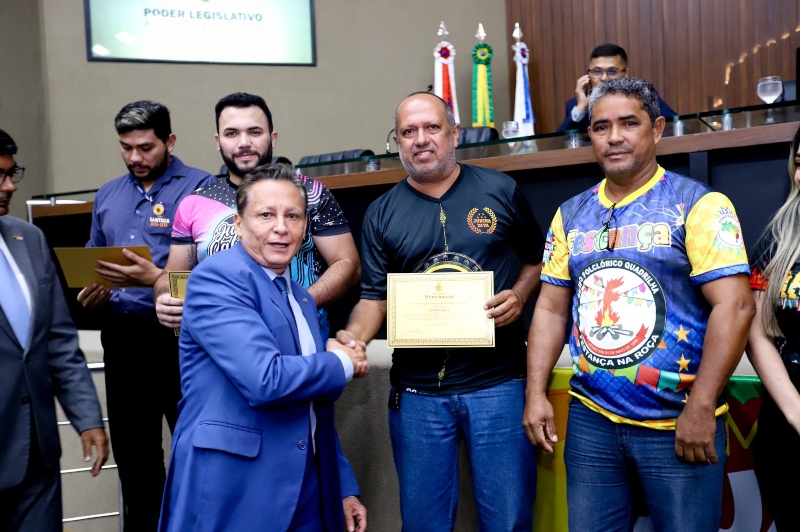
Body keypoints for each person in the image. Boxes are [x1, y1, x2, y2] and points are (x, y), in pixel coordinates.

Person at [525, 77, 755, 531]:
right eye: (601, 127)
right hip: (591, 421)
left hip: (678, 419)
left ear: (658, 129)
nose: (614, 137)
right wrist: (534, 394)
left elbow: (736, 307)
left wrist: (701, 406)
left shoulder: (700, 205)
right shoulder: (570, 213)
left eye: (629, 123)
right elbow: (550, 309)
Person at [336, 92, 544, 531]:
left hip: (498, 384)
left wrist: (520, 295)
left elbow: (537, 260)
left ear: (454, 133)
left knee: (508, 521)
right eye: (408, 132)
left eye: (432, 127)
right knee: (423, 523)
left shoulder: (500, 190)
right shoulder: (380, 213)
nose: (421, 139)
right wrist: (354, 338)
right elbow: (374, 297)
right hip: (417, 393)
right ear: (397, 142)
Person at [159, 166, 368, 532]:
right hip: (235, 489)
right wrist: (341, 362)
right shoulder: (216, 278)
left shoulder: (301, 297)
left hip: (305, 491)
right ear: (239, 225)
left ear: (306, 227)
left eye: (293, 216)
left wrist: (342, 485)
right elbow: (265, 380)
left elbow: (314, 403)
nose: (281, 228)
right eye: (266, 215)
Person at [77, 101, 216, 530]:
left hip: (180, 336)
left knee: (198, 454)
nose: (135, 157)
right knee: (135, 461)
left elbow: (216, 274)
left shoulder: (202, 188)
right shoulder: (108, 194)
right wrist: (92, 295)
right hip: (122, 337)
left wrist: (156, 278)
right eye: (126, 148)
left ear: (169, 141)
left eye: (146, 147)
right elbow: (94, 261)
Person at [153, 92, 360, 340]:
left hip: (300, 339)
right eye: (232, 133)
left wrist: (298, 305)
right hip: (220, 341)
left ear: (272, 138)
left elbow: (348, 264)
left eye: (254, 132)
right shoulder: (193, 204)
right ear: (218, 141)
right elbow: (171, 274)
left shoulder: (310, 193)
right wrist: (164, 296)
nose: (243, 143)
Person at [0, 129, 108, 531]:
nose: (10, 186)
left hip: (38, 456)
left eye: (12, 173)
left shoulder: (28, 238)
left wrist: (88, 418)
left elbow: (59, 342)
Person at [747, 124, 800, 530]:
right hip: (787, 424)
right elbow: (757, 333)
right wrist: (796, 411)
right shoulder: (777, 239)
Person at [556, 43, 676, 133]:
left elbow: (675, 125)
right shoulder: (576, 105)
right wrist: (581, 108)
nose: (604, 78)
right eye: (597, 72)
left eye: (612, 71)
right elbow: (557, 143)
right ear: (588, 74)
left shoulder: (643, 96)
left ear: (626, 73)